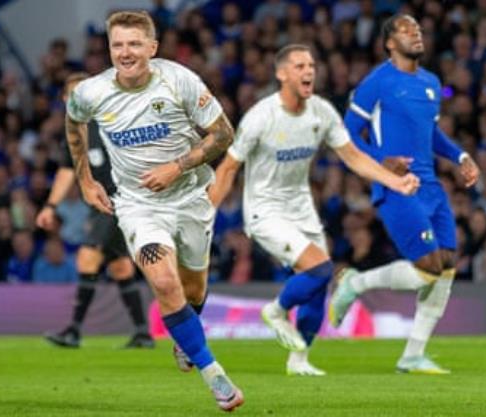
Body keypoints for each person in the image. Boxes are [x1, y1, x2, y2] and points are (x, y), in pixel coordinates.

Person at [65, 11, 243, 412]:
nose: (125, 53)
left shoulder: (178, 80)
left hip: (191, 197)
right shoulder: (91, 92)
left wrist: (177, 167)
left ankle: (187, 337)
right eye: (117, 45)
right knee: (164, 282)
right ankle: (214, 375)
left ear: (152, 47)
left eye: (133, 44)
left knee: (193, 288)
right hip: (138, 204)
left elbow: (224, 133)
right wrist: (85, 179)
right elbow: (73, 121)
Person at [209, 44, 420, 376]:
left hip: (301, 206)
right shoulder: (261, 117)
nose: (308, 71)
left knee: (319, 286)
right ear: (281, 74)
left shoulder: (321, 112)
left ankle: (299, 360)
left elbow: (352, 157)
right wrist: (206, 214)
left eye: (311, 65)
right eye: (299, 66)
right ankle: (277, 311)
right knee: (321, 268)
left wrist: (394, 182)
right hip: (265, 208)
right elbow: (227, 168)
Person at [329, 14, 480, 374]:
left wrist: (460, 156)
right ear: (389, 43)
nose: (416, 33)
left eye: (418, 28)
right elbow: (347, 132)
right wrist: (384, 160)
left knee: (445, 267)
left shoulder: (430, 83)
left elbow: (432, 134)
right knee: (427, 268)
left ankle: (412, 355)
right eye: (406, 29)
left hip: (431, 186)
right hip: (396, 185)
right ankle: (354, 282)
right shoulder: (377, 82)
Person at [37, 73, 154, 349]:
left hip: (121, 200)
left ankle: (74, 331)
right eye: (72, 95)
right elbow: (68, 171)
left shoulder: (112, 122)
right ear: (65, 100)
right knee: (119, 266)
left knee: (87, 258)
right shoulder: (75, 132)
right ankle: (142, 333)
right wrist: (50, 206)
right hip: (104, 204)